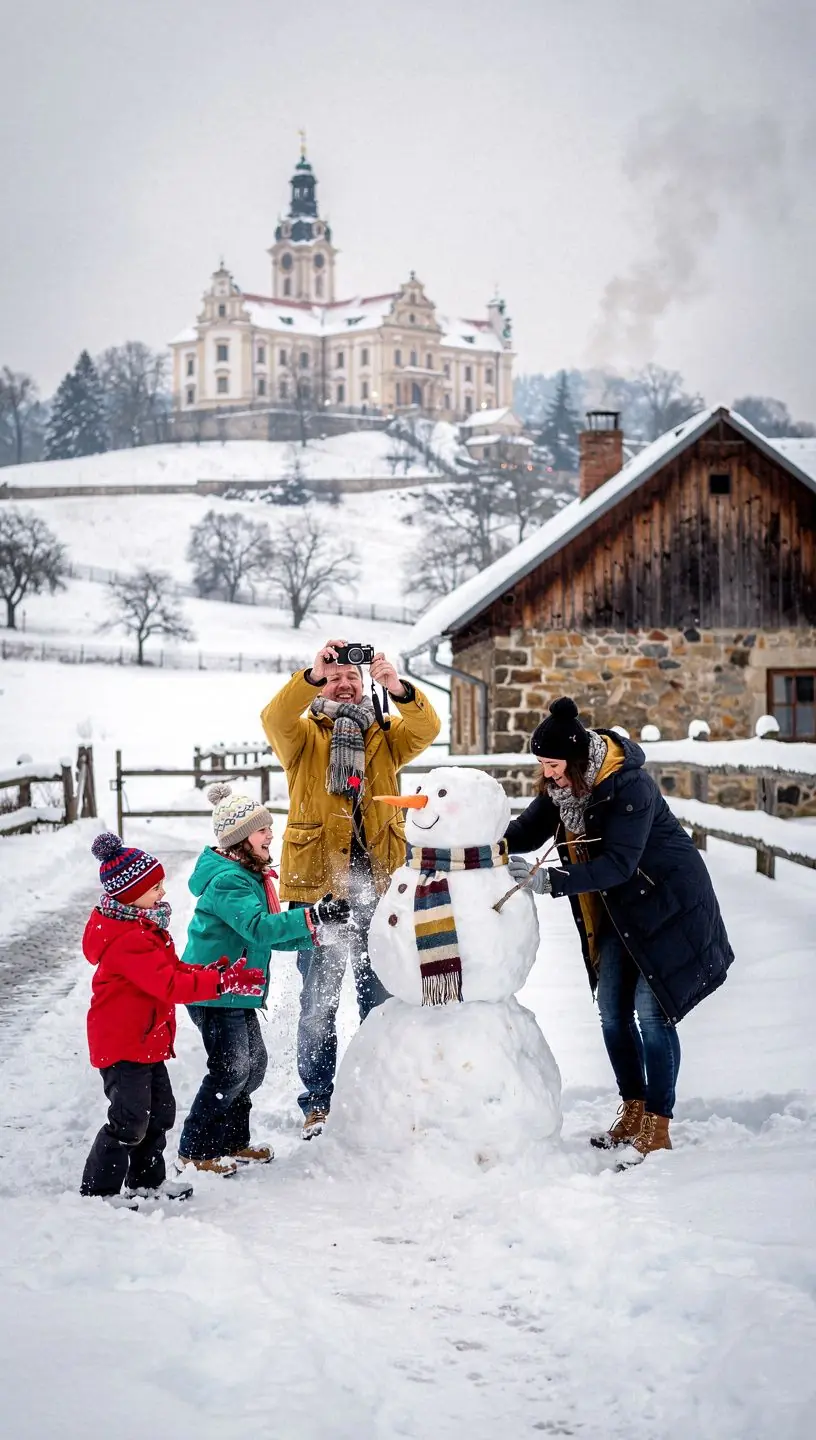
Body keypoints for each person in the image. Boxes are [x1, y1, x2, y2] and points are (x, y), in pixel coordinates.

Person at [505, 697, 734, 1160]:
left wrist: (551, 880)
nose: (548, 774)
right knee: (611, 1011)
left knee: (653, 1014)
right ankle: (633, 1106)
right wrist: (481, 844)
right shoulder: (565, 789)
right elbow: (528, 829)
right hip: (618, 913)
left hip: (667, 905)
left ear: (573, 758)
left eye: (553, 764)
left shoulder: (629, 786)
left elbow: (621, 863)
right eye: (543, 765)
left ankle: (659, 1120)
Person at [262, 639, 441, 1137]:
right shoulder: (303, 736)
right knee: (318, 1003)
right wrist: (309, 675)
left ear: (363, 685)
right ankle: (318, 1102)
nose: (344, 683)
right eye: (334, 676)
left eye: (351, 678)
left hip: (379, 891)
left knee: (379, 1002)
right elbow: (273, 719)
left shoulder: (386, 734)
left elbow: (428, 728)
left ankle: (370, 1095)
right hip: (321, 893)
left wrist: (398, 688)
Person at [80, 831, 264, 1205]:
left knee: (159, 1114)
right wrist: (219, 982)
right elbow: (168, 986)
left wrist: (213, 973)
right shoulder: (128, 939)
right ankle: (98, 1191)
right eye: (155, 887)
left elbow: (175, 970)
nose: (163, 892)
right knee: (129, 1120)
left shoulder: (145, 928)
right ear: (131, 894)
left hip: (146, 1040)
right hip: (123, 1043)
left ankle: (146, 1183)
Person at [178, 783, 350, 1173]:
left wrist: (316, 930)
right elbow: (259, 928)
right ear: (240, 840)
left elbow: (268, 935)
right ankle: (196, 1150)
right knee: (231, 1069)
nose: (271, 835)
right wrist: (312, 915)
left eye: (269, 827)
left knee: (251, 1067)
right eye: (262, 830)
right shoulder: (229, 881)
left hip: (237, 990)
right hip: (213, 990)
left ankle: (234, 1142)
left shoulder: (250, 877)